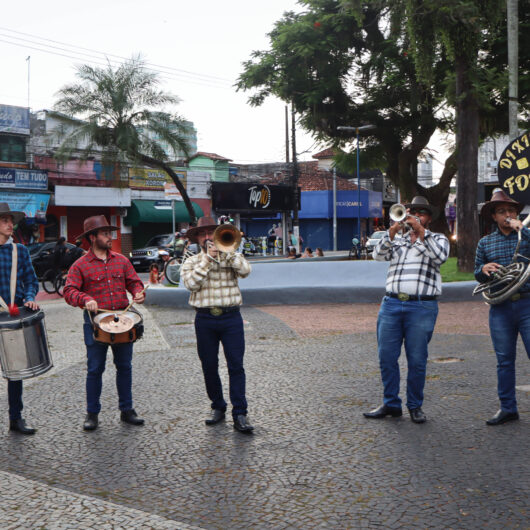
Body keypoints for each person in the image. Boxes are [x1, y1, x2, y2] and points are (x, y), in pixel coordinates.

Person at [363, 196, 449, 424]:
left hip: (421, 305)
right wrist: (391, 232)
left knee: (417, 359)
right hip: (391, 304)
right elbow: (377, 256)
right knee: (386, 357)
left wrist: (421, 232)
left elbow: (440, 257)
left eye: (421, 212)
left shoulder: (437, 238)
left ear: (429, 217)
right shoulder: (397, 239)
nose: (415, 216)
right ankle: (391, 403)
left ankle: (415, 406)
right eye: (412, 212)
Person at [64, 215, 146, 431]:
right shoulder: (79, 265)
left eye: (110, 233)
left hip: (122, 320)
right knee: (94, 369)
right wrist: (85, 299)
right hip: (95, 323)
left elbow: (134, 282)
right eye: (105, 234)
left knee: (125, 367)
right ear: (92, 237)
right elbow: (69, 291)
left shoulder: (121, 260)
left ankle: (127, 411)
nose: (110, 237)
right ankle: (92, 414)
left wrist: (138, 292)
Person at [181, 216, 254, 434]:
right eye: (202, 234)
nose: (207, 238)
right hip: (204, 319)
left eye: (210, 233)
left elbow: (246, 271)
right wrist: (208, 261)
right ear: (198, 239)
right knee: (209, 365)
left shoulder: (232, 255)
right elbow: (191, 284)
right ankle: (218, 406)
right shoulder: (192, 261)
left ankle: (240, 413)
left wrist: (228, 254)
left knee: (236, 365)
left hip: (231, 317)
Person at [474, 189, 530, 425]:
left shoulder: (526, 236)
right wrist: (484, 271)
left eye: (511, 211)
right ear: (494, 217)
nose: (507, 215)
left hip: (527, 303)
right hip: (500, 307)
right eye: (502, 211)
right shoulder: (485, 242)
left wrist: (523, 229)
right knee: (504, 359)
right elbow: (477, 272)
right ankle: (508, 407)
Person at [0, 203, 40, 434]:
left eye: (10, 220)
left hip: (13, 318)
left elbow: (31, 281)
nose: (10, 224)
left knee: (15, 372)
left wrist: (29, 298)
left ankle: (16, 419)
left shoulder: (20, 251)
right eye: (4, 220)